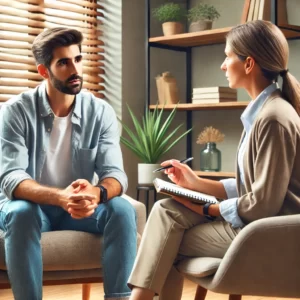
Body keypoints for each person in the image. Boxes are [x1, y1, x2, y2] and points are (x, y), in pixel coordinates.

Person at [127, 20, 300, 300]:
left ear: (249, 64)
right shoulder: (264, 113)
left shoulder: (273, 118)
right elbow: (252, 187)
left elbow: (264, 203)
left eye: (227, 56)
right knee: (166, 210)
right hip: (257, 224)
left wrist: (211, 210)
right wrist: (196, 183)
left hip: (271, 235)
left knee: (167, 238)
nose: (223, 65)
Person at [0, 27, 136, 300]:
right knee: (20, 211)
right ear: (43, 71)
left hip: (79, 209)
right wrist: (60, 197)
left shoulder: (100, 112)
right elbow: (11, 178)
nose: (75, 69)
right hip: (34, 208)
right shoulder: (15, 111)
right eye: (63, 62)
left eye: (78, 59)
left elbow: (115, 175)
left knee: (121, 209)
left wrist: (94, 193)